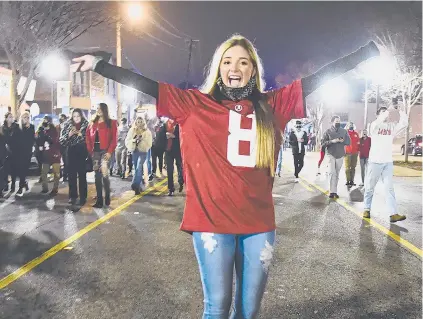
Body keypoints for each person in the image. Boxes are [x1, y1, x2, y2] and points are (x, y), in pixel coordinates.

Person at [71, 35, 379, 318]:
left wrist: (365, 53)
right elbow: (147, 85)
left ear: (253, 71)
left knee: (248, 311)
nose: (235, 67)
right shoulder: (193, 104)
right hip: (210, 223)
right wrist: (100, 66)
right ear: (219, 69)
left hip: (258, 224)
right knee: (217, 307)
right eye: (228, 61)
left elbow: (317, 79)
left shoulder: (272, 105)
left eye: (243, 61)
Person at [363, 107, 407, 223]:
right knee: (370, 187)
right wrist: (387, 109)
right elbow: (378, 121)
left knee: (389, 188)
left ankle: (393, 214)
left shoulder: (391, 127)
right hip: (375, 162)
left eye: (386, 113)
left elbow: (404, 124)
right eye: (382, 112)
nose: (386, 115)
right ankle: (366, 208)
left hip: (387, 162)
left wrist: (400, 110)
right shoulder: (373, 125)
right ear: (377, 115)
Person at [85, 103, 117, 208]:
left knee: (104, 174)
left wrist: (109, 152)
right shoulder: (92, 123)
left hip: (105, 152)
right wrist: (90, 151)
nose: (98, 110)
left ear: (105, 110)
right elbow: (88, 138)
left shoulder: (111, 123)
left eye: (100, 109)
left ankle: (107, 195)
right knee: (97, 177)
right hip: (95, 153)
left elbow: (114, 139)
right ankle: (99, 200)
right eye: (97, 108)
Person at [60, 108, 89, 207]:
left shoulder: (86, 124)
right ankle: (72, 196)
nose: (76, 118)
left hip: (82, 151)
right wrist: (69, 135)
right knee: (71, 175)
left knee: (82, 175)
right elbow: (62, 140)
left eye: (78, 116)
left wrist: (81, 135)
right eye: (74, 116)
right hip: (71, 151)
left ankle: (83, 197)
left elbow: (90, 139)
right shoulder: (67, 124)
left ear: (81, 116)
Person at [321, 116, 351, 199]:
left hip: (340, 154)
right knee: (332, 172)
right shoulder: (328, 131)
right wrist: (332, 141)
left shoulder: (344, 131)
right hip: (331, 154)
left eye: (339, 121)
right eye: (336, 121)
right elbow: (323, 143)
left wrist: (343, 140)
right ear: (332, 122)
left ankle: (335, 191)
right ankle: (332, 191)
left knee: (337, 173)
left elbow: (348, 142)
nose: (338, 122)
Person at [125, 116, 153, 194]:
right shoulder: (132, 130)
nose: (139, 123)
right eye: (138, 122)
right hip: (135, 151)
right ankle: (139, 185)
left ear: (143, 122)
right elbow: (127, 140)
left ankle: (135, 185)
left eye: (141, 122)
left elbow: (149, 143)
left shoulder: (147, 131)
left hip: (143, 152)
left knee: (139, 167)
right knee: (136, 168)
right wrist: (134, 140)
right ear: (136, 122)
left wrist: (142, 141)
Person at [36, 116, 61, 196]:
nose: (45, 122)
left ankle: (55, 189)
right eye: (44, 121)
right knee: (44, 172)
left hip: (55, 153)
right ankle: (45, 188)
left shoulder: (54, 130)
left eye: (47, 121)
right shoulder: (41, 130)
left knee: (56, 173)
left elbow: (56, 140)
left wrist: (48, 139)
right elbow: (38, 140)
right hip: (46, 154)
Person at [16, 112, 36, 197]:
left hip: (27, 152)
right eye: (24, 117)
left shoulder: (31, 127)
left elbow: (32, 139)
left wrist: (28, 129)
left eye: (27, 117)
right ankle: (23, 184)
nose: (26, 119)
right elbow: (17, 139)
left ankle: (21, 186)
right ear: (21, 118)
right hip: (19, 151)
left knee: (24, 169)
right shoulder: (18, 127)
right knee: (21, 169)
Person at [162, 119, 184, 196]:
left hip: (177, 150)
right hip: (168, 150)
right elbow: (161, 136)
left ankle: (181, 182)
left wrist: (174, 136)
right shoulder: (166, 124)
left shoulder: (180, 123)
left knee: (180, 167)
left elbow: (183, 136)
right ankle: (171, 189)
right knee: (169, 170)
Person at [2, 112, 19, 192]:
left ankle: (13, 185)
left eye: (12, 117)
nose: (11, 118)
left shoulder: (16, 127)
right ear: (6, 118)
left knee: (13, 169)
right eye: (9, 117)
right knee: (5, 169)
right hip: (4, 151)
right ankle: (6, 185)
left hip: (14, 150)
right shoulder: (2, 128)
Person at [344, 121, 360, 186]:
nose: (351, 126)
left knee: (353, 167)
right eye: (350, 125)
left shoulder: (356, 134)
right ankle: (348, 181)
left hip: (355, 153)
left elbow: (358, 143)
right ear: (347, 126)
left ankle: (352, 181)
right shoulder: (345, 134)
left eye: (352, 125)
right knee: (347, 168)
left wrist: (358, 151)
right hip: (347, 153)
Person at [58, 114, 69, 182]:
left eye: (62, 118)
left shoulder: (67, 126)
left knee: (66, 161)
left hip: (65, 146)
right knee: (57, 161)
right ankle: (60, 175)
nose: (61, 119)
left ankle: (65, 176)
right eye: (60, 118)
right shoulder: (57, 126)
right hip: (58, 145)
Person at [0, 126, 7, 198]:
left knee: (1, 176)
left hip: (1, 159)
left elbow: (4, 148)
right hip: (1, 158)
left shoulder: (2, 136)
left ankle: (0, 191)